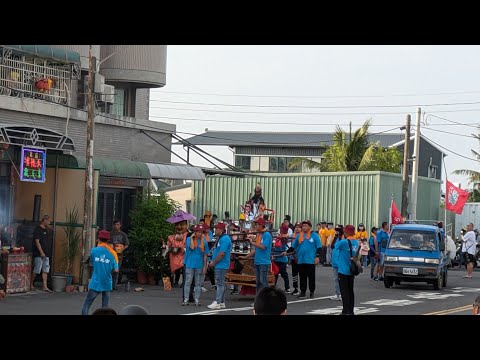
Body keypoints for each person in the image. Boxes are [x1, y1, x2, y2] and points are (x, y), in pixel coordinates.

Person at [81, 230, 119, 315]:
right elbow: (116, 270)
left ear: (98, 239)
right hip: (107, 282)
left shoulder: (94, 251)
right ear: (108, 240)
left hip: (95, 281)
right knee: (105, 308)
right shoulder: (113, 254)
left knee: (87, 304)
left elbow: (92, 263)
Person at [292, 220, 322, 299]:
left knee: (311, 277)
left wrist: (317, 257)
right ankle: (303, 292)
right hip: (301, 259)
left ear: (310, 227)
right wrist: (286, 252)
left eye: (305, 226)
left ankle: (312, 291)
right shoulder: (299, 236)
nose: (304, 227)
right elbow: (293, 246)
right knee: (302, 277)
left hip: (310, 260)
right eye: (303, 226)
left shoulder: (315, 235)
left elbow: (319, 247)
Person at [335, 224, 360, 315]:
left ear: (346, 232)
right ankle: (351, 310)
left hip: (343, 270)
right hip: (352, 270)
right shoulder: (357, 242)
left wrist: (339, 237)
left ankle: (345, 310)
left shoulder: (343, 242)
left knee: (344, 291)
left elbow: (334, 246)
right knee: (350, 291)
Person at [207, 222, 232, 310]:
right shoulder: (221, 238)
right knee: (221, 283)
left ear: (221, 230)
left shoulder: (224, 239)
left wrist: (213, 262)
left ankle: (217, 302)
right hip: (221, 264)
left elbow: (222, 253)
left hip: (221, 264)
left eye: (216, 228)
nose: (215, 230)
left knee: (219, 284)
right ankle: (221, 302)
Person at [183, 224, 209, 306]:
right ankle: (186, 299)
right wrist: (191, 237)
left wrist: (205, 266)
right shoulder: (188, 239)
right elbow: (191, 247)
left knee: (198, 283)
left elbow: (205, 255)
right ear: (195, 232)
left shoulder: (204, 241)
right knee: (188, 282)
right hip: (189, 263)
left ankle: (197, 299)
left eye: (201, 232)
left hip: (199, 264)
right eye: (198, 232)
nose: (200, 233)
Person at [243, 217, 272, 291]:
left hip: (263, 262)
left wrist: (253, 243)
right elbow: (256, 250)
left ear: (261, 225)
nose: (255, 226)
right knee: (258, 282)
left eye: (257, 224)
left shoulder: (266, 235)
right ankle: (259, 299)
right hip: (257, 262)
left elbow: (263, 247)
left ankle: (266, 298)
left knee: (263, 282)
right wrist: (246, 257)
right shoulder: (259, 235)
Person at [31, 215, 53, 292]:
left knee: (45, 270)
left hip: (46, 253)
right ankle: (30, 284)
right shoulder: (38, 230)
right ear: (44, 220)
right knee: (37, 269)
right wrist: (41, 252)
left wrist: (46, 253)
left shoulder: (47, 230)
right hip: (39, 254)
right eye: (49, 221)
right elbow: (37, 242)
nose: (49, 223)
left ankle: (45, 286)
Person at [110, 219, 129, 290]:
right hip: (111, 255)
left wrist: (121, 249)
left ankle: (114, 285)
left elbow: (127, 244)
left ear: (120, 225)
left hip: (119, 255)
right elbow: (108, 243)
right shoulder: (111, 234)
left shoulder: (123, 234)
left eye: (118, 224)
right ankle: (110, 285)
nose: (117, 226)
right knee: (110, 270)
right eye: (115, 225)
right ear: (113, 225)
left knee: (116, 270)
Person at [273, 224, 291, 293]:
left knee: (284, 274)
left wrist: (282, 237)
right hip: (276, 257)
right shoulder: (277, 237)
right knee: (275, 273)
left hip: (282, 259)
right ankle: (273, 287)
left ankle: (287, 287)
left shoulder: (285, 237)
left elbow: (286, 240)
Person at [329, 225, 344, 301]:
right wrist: (335, 237)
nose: (337, 231)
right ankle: (337, 293)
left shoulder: (343, 239)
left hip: (341, 262)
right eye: (336, 230)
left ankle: (342, 294)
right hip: (335, 262)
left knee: (341, 279)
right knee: (336, 279)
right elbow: (332, 246)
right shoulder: (336, 238)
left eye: (339, 230)